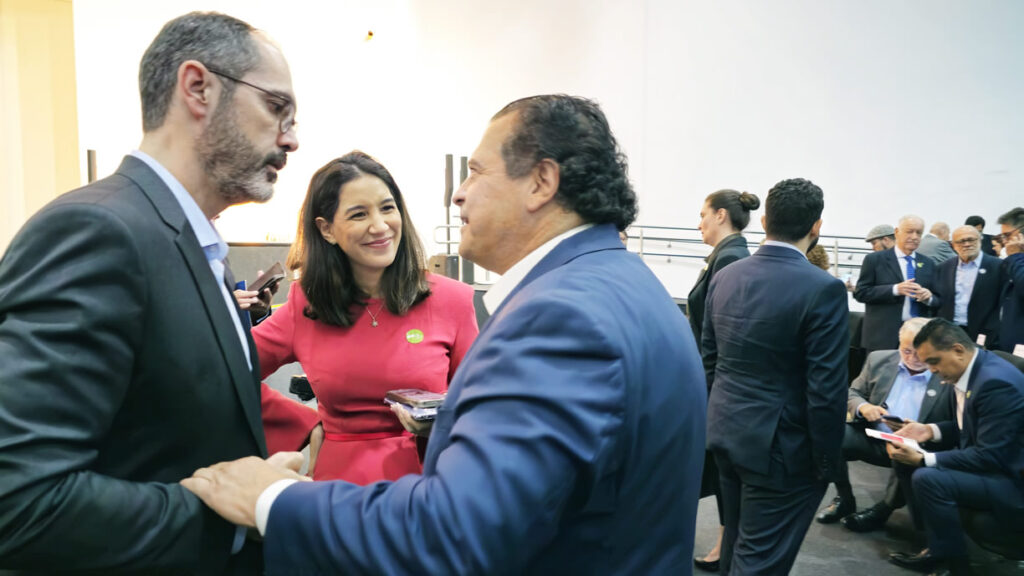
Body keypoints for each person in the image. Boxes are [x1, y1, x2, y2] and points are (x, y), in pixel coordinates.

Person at [182, 95, 707, 574]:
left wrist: (272, 498)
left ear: (541, 183)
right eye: (358, 214)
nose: (458, 194)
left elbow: (457, 531)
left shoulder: (558, 317)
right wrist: (307, 427)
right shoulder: (622, 285)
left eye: (476, 171)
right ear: (327, 230)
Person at [0, 12, 298, 573]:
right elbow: (20, 501)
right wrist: (232, 516)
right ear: (198, 88)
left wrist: (260, 483)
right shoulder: (98, 232)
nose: (292, 138)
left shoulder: (195, 247)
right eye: (275, 107)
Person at [253, 151, 479, 483]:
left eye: (387, 208)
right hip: (338, 491)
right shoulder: (307, 306)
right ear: (327, 230)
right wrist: (300, 423)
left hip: (428, 487)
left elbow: (482, 406)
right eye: (359, 214)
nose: (380, 226)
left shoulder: (452, 300)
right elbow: (223, 374)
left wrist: (441, 423)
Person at [702, 178, 849, 575]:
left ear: (765, 221)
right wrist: (826, 462)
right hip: (781, 452)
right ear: (816, 227)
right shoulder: (824, 289)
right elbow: (826, 389)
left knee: (736, 547)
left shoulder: (726, 275)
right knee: (759, 562)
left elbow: (710, 359)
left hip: (726, 432)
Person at [887, 319, 1024, 576]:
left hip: (1011, 480)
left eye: (934, 361)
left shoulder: (996, 383)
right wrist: (929, 431)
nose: (932, 370)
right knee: (906, 459)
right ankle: (935, 547)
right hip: (992, 462)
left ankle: (956, 566)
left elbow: (989, 455)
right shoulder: (969, 371)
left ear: (958, 350)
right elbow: (968, 427)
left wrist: (924, 459)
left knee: (928, 477)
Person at [815, 318, 952, 532]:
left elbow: (956, 423)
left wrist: (924, 431)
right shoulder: (879, 359)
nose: (913, 358)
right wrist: (864, 407)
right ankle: (844, 498)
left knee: (908, 455)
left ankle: (883, 510)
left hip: (917, 445)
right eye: (906, 351)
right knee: (830, 435)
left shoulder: (946, 373)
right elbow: (852, 392)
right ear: (899, 343)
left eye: (920, 352)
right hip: (874, 434)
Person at [685, 188, 760, 572]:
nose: (699, 222)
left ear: (720, 215)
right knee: (714, 468)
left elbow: (722, 333)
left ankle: (725, 542)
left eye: (703, 214)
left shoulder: (730, 258)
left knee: (716, 468)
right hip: (711, 379)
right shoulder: (725, 255)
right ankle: (724, 540)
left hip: (714, 383)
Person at [854, 215, 941, 352]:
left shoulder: (928, 263)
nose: (914, 236)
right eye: (909, 231)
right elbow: (861, 293)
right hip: (882, 337)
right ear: (896, 232)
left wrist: (928, 297)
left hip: (917, 338)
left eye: (919, 233)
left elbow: (938, 299)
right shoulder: (875, 260)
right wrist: (895, 289)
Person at [936, 225, 1006, 350]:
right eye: (961, 241)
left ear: (980, 240)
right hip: (951, 332)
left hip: (985, 334)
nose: (967, 244)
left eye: (971, 240)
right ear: (953, 245)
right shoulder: (944, 267)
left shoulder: (998, 266)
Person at [996, 207, 1024, 353]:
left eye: (1007, 235)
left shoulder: (1016, 260)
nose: (1004, 241)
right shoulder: (1015, 262)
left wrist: (1015, 256)